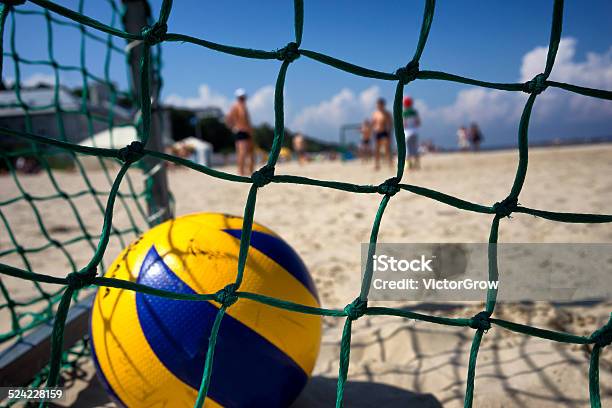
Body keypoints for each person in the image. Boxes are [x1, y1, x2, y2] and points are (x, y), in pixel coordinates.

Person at [225, 88, 254, 175]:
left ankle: (250, 172)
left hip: (247, 132)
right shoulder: (235, 106)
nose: (242, 99)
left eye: (243, 97)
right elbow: (228, 119)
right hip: (240, 132)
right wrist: (234, 127)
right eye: (241, 98)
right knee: (242, 153)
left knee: (251, 153)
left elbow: (247, 121)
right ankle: (241, 172)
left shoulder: (244, 107)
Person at [371, 97, 393, 170]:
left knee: (387, 149)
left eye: (380, 104)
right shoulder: (375, 113)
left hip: (385, 132)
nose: (378, 105)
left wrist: (389, 133)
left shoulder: (387, 113)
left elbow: (390, 123)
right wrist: (372, 130)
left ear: (383, 105)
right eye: (378, 104)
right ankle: (377, 165)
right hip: (377, 132)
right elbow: (373, 123)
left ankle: (390, 163)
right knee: (377, 149)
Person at [402, 96, 421, 170]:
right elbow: (418, 122)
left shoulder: (404, 112)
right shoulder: (414, 112)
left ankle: (409, 165)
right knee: (415, 149)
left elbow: (404, 124)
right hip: (415, 132)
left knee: (407, 150)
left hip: (407, 133)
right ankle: (417, 165)